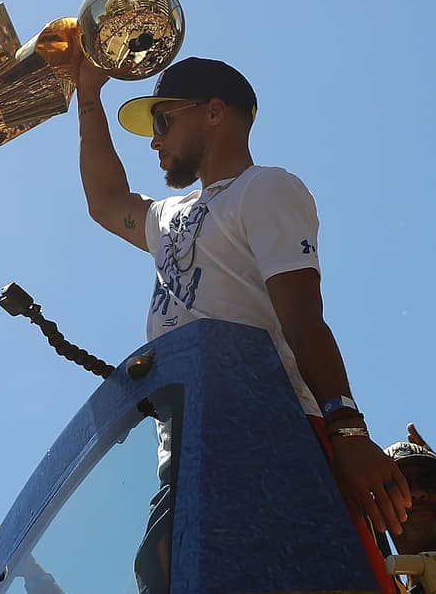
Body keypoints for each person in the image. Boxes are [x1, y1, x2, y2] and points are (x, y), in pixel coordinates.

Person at [74, 54, 410, 590]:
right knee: (160, 567)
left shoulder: (266, 189)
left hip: (269, 432)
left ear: (214, 112)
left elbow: (302, 317)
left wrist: (346, 428)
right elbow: (106, 201)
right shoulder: (167, 217)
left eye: (163, 121)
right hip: (184, 446)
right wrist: (87, 97)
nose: (154, 141)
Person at [385, 428, 436, 556]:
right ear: (379, 513)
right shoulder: (362, 574)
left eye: (429, 482)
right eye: (400, 486)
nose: (416, 492)